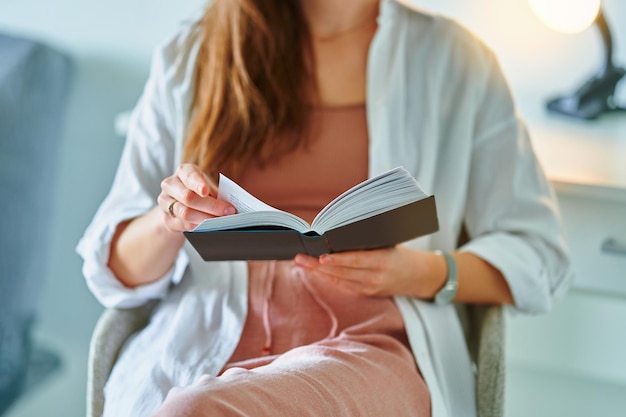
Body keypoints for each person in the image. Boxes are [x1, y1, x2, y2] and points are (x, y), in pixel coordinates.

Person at [77, 0, 572, 416]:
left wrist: (420, 272)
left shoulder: (453, 61)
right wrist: (170, 220)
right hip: (200, 338)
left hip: (367, 345)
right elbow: (111, 269)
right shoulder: (194, 54)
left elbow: (538, 252)